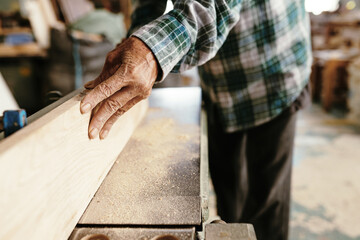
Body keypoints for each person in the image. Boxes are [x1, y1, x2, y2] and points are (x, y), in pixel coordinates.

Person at [80, 1, 312, 239]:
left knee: (264, 208)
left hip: (272, 71)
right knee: (229, 201)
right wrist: (138, 36)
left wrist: (151, 51)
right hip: (220, 83)